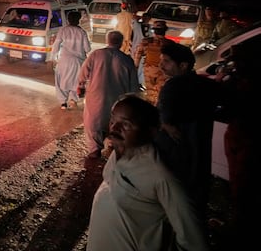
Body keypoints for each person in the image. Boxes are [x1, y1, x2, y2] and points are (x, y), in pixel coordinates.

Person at [87, 94, 210, 251]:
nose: (115, 128)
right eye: (113, 121)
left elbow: (194, 239)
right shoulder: (118, 152)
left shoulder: (161, 176)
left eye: (126, 124)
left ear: (150, 132)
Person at [154, 41, 222, 219]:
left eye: (167, 61)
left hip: (176, 152)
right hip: (200, 148)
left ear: (183, 66)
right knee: (196, 191)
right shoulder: (206, 84)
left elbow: (163, 119)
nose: (161, 65)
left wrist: (163, 124)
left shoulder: (172, 87)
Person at [210, 44, 261, 248]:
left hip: (244, 138)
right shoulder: (245, 82)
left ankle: (240, 232)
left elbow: (222, 101)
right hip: (244, 137)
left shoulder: (244, 85)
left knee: (242, 187)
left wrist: (221, 80)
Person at [77, 30, 139, 159]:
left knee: (93, 122)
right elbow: (133, 87)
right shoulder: (127, 60)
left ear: (107, 41)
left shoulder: (96, 55)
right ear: (121, 43)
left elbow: (83, 73)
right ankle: (113, 146)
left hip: (96, 96)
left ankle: (95, 149)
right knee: (114, 123)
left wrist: (80, 86)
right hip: (118, 100)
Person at [51, 10, 91, 109]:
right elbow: (87, 49)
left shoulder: (63, 30)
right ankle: (73, 100)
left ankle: (63, 103)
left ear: (68, 20)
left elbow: (56, 45)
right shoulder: (82, 32)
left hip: (64, 61)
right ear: (79, 20)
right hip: (78, 62)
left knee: (60, 82)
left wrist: (53, 58)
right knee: (76, 82)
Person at [132, 20, 174, 105]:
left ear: (154, 30)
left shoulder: (146, 41)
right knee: (160, 93)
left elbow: (138, 55)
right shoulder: (170, 44)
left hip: (149, 71)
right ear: (165, 31)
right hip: (163, 72)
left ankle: (150, 108)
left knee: (150, 92)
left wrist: (135, 68)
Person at [130, 12, 151, 89]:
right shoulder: (149, 28)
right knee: (140, 66)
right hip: (143, 50)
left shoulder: (137, 25)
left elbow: (133, 18)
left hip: (136, 49)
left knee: (136, 65)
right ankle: (137, 82)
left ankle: (135, 82)